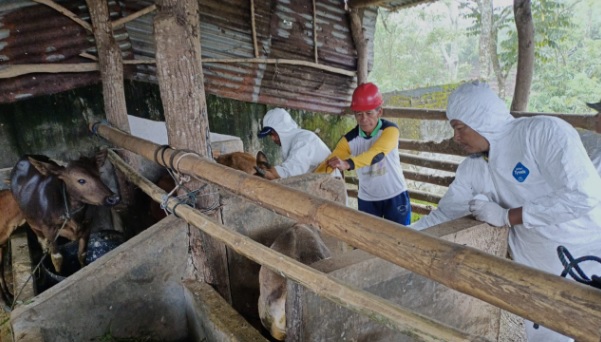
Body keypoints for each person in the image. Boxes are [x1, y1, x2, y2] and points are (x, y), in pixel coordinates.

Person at [411, 81, 601, 342]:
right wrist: (399, 234)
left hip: (588, 257)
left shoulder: (540, 133)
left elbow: (584, 194)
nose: (456, 137)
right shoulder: (474, 168)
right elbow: (445, 216)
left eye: (459, 127)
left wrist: (507, 216)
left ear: (479, 118)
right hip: (537, 274)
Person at [315, 82, 411, 225]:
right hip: (368, 200)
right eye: (359, 114)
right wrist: (311, 180)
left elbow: (376, 154)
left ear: (379, 112)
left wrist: (348, 163)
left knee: (403, 240)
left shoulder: (390, 131)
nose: (364, 119)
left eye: (369, 113)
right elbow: (329, 163)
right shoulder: (348, 140)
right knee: (366, 242)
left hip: (395, 195)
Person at [258, 108, 338, 179]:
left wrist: (269, 172)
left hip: (330, 188)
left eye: (273, 134)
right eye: (270, 135)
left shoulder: (304, 140)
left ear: (282, 129)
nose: (272, 138)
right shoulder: (295, 141)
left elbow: (291, 172)